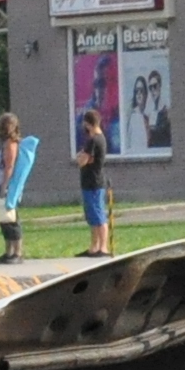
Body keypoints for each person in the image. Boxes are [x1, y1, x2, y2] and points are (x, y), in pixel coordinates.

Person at [0, 110, 27, 263]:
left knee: (11, 219)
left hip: (8, 187)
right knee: (4, 219)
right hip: (0, 186)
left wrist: (4, 187)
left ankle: (17, 253)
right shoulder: (4, 144)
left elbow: (9, 167)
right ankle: (8, 251)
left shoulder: (11, 144)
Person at [75, 108, 112, 259]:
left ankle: (102, 247)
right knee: (91, 216)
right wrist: (84, 158)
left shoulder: (93, 140)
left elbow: (82, 161)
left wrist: (83, 157)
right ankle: (94, 247)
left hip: (94, 182)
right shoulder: (99, 138)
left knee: (98, 215)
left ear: (88, 124)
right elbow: (85, 159)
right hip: (90, 182)